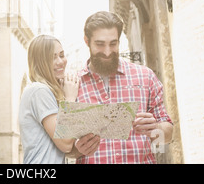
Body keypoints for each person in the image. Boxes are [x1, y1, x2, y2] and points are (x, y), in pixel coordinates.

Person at [71, 11, 174, 164]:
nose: (107, 52)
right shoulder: (72, 85)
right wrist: (77, 149)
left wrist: (155, 128)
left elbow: (168, 135)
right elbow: (64, 148)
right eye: (100, 44)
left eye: (113, 44)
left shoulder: (145, 77)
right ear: (87, 41)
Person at [19, 35, 96, 163]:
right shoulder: (39, 90)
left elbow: (63, 147)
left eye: (61, 55)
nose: (60, 61)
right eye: (52, 57)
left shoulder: (46, 92)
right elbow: (64, 143)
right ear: (40, 62)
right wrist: (70, 99)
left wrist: (83, 147)